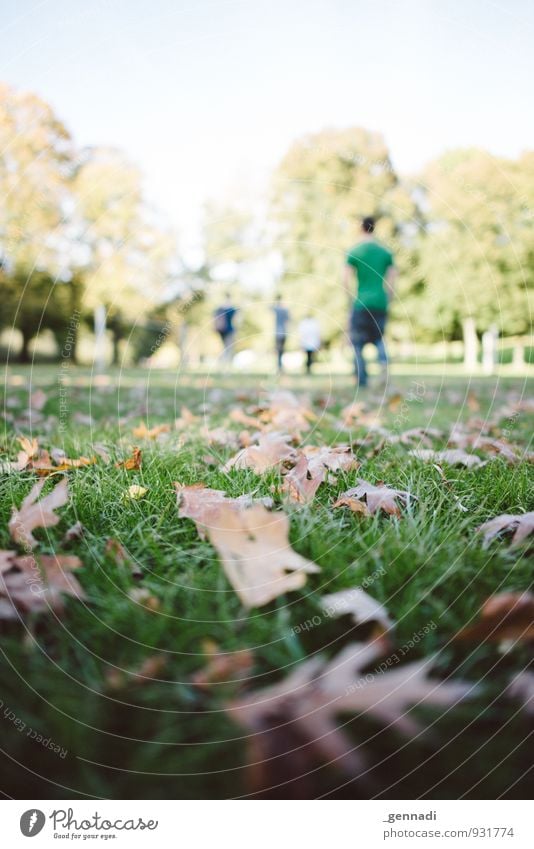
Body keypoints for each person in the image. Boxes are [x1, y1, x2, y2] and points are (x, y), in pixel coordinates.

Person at [343, 216, 397, 387]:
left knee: (357, 342)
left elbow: (345, 279)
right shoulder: (385, 252)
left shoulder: (354, 251)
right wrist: (388, 298)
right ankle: (383, 366)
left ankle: (362, 379)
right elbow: (393, 278)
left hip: (361, 302)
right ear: (374, 228)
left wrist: (349, 300)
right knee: (379, 338)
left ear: (361, 228)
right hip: (380, 301)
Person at [213, 294, 238, 364]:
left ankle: (224, 361)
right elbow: (236, 320)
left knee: (224, 346)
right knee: (228, 347)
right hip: (229, 329)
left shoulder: (220, 308)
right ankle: (227, 362)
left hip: (221, 330)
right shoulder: (232, 308)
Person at [272, 295, 290, 372]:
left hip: (279, 332)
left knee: (279, 350)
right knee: (280, 350)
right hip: (283, 332)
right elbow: (288, 320)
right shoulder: (285, 309)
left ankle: (279, 366)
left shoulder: (277, 309)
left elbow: (269, 307)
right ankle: (279, 366)